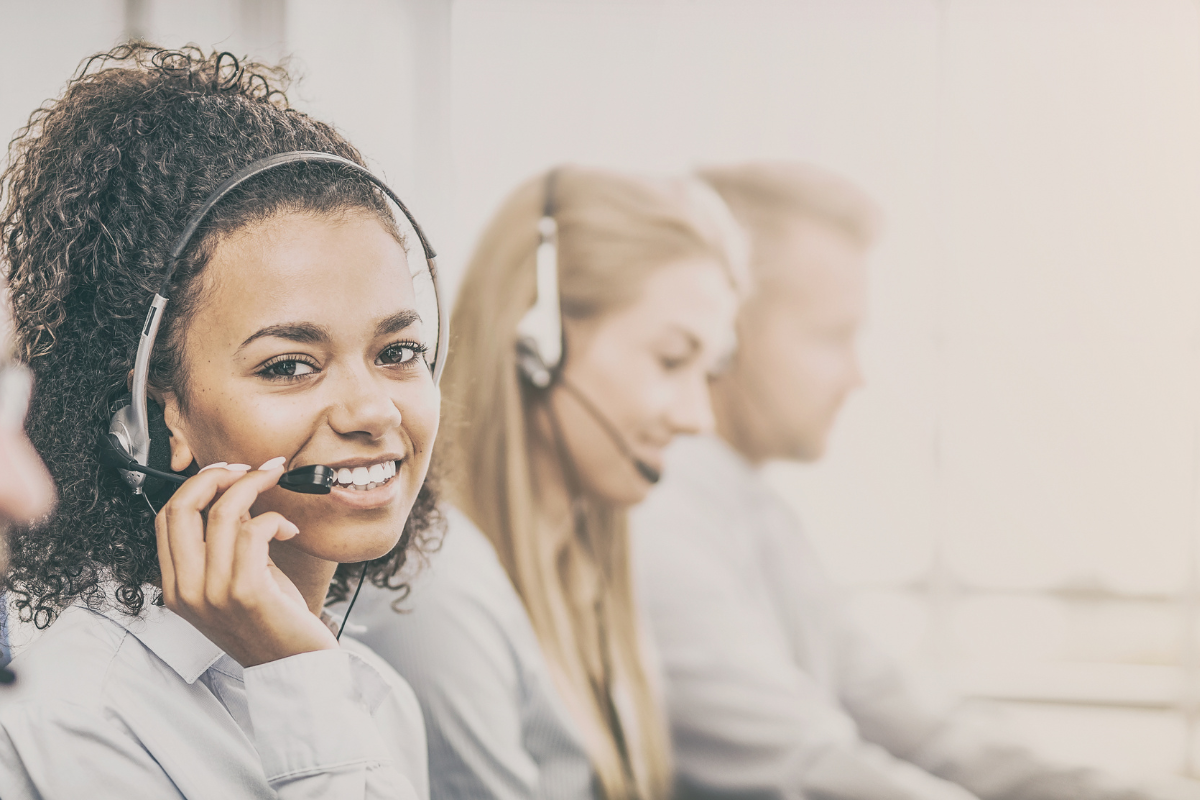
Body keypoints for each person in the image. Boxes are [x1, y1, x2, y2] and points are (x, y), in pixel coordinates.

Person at [630, 161, 1200, 800]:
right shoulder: (658, 513)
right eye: (832, 337)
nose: (857, 376)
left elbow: (916, 722)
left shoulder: (755, 513)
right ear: (723, 331)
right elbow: (807, 767)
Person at [0, 44, 442, 799]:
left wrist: (303, 680)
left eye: (397, 350)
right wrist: (300, 694)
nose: (373, 409)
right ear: (147, 417)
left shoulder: (372, 693)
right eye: (289, 365)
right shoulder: (76, 718)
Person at [341, 167, 746, 800]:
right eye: (670, 361)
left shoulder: (582, 566)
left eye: (708, 370)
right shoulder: (436, 591)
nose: (697, 417)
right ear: (538, 344)